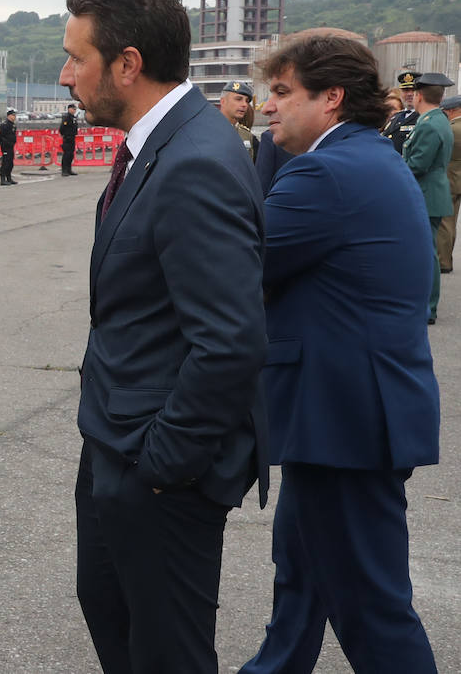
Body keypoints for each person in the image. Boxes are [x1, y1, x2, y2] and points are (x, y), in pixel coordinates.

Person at [59, 0, 267, 674]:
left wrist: (160, 467)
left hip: (155, 472)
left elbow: (231, 340)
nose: (65, 77)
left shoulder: (194, 161)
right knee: (119, 624)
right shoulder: (162, 146)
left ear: (128, 64)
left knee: (166, 654)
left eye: (76, 59)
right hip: (119, 446)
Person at [240, 35, 439, 674]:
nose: (267, 109)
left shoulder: (326, 172)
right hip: (344, 416)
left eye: (281, 93)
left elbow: (241, 265)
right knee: (301, 579)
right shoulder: (359, 157)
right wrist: (276, 149)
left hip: (345, 421)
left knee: (372, 606)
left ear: (332, 99)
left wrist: (269, 155)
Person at [403, 71, 456, 324]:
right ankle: (425, 305)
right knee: (427, 251)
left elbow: (417, 164)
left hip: (426, 194)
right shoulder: (436, 119)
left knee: (427, 253)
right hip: (431, 192)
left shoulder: (430, 124)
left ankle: (428, 308)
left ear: (419, 95)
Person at [436, 95, 461, 273]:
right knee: (451, 222)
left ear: (453, 110)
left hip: (450, 179)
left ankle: (443, 261)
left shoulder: (452, 129)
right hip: (457, 178)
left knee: (446, 222)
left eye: (445, 112)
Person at [219, 80, 259, 160]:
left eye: (247, 101)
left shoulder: (248, 136)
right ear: (223, 101)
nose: (244, 104)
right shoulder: (207, 132)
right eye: (238, 99)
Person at [383, 70, 421, 153]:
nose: (409, 94)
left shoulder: (422, 117)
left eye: (413, 90)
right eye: (406, 90)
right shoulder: (396, 117)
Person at [0, 108, 18, 185]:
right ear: (9, 116)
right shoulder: (5, 125)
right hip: (6, 146)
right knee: (5, 163)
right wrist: (4, 144)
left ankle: (9, 178)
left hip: (11, 146)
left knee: (10, 163)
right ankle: (2, 179)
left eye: (15, 115)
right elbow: (0, 137)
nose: (14, 117)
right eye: (13, 115)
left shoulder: (13, 125)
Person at [59, 102, 79, 174]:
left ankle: (69, 169)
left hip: (72, 138)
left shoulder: (73, 118)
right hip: (67, 138)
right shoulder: (66, 117)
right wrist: (64, 135)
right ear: (69, 109)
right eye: (73, 109)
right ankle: (64, 170)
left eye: (75, 109)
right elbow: (62, 128)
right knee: (66, 154)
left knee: (71, 155)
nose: (74, 111)